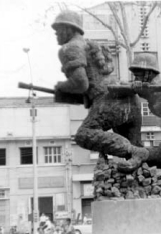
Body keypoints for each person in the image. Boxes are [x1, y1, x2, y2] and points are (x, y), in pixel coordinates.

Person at [51, 10, 148, 172]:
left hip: (109, 100)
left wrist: (61, 87)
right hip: (128, 99)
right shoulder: (89, 45)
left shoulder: (69, 48)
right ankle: (145, 165)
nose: (56, 34)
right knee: (135, 150)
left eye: (58, 30)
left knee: (84, 135)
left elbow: (81, 84)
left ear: (69, 29)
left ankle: (137, 152)